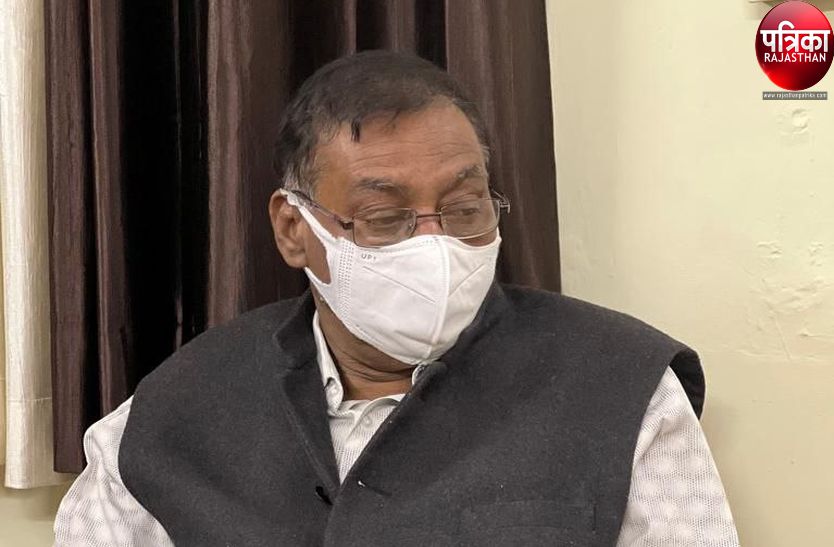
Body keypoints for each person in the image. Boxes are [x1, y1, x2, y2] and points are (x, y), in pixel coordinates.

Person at [54, 50, 739, 546]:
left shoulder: (621, 387)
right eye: (385, 219)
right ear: (294, 229)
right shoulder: (172, 414)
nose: (436, 246)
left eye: (465, 208)